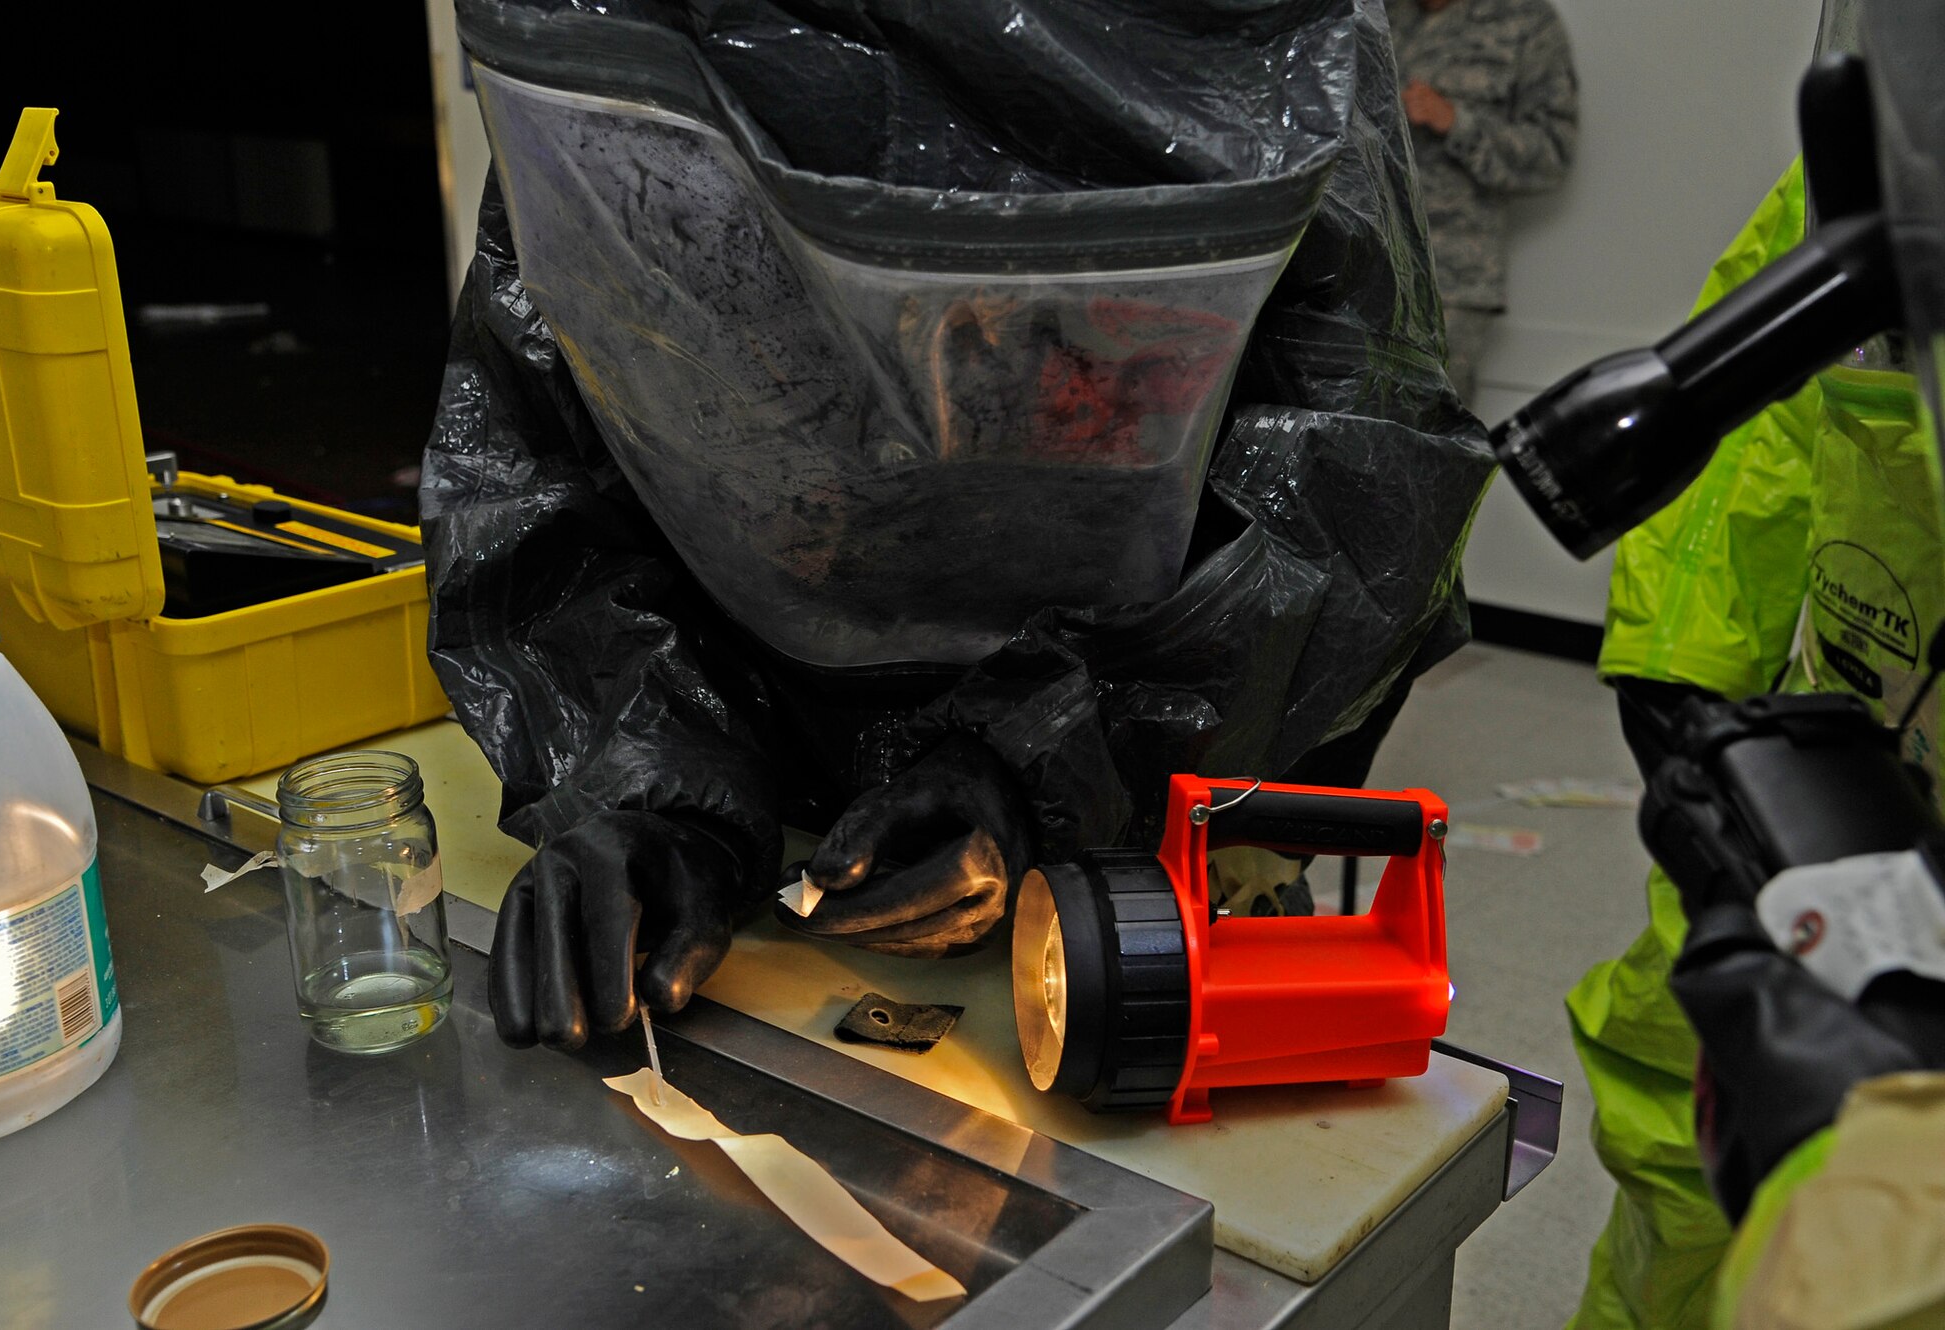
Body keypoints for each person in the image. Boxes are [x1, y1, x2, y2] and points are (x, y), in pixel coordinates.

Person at [421, 0, 1492, 1052]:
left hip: (1147, 812)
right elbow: (542, 432)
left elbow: (1354, 485)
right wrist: (649, 774)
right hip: (753, 812)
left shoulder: (1254, 39)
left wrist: (1045, 761)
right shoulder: (609, 22)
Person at [1568, 2, 1945, 1317]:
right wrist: (1681, 679)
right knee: (1681, 1124)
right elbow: (1762, 430)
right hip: (1826, 795)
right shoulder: (1898, 145)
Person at [1390, 0, 1579, 401]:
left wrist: (1457, 122)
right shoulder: (1376, 11)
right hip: (1359, 265)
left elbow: (1553, 152)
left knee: (1430, 437)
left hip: (1451, 282)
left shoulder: (1524, 22)